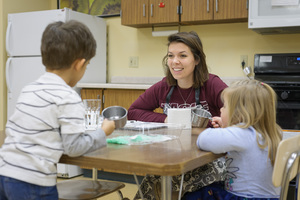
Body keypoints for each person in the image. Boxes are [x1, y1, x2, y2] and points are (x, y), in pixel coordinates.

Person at [0, 20, 115, 200]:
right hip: (33, 182)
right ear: (79, 64)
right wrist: (103, 132)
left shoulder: (29, 88)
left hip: (5, 173)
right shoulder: (68, 97)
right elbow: (74, 147)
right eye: (87, 65)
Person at [128, 31, 228, 199]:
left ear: (196, 60)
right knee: (155, 175)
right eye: (170, 56)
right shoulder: (164, 86)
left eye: (182, 55)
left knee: (169, 181)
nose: (175, 62)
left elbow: (239, 112)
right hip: (173, 156)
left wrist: (224, 122)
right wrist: (167, 120)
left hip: (207, 159)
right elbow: (133, 111)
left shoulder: (212, 84)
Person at [183, 79, 282, 200]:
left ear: (239, 113)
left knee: (193, 195)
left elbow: (203, 140)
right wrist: (229, 127)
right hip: (270, 197)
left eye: (225, 106)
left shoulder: (241, 134)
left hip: (245, 197)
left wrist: (227, 129)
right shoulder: (271, 132)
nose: (221, 109)